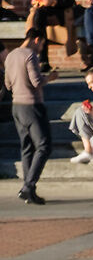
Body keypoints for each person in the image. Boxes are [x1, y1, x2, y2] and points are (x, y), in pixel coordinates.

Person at [7, 34, 49, 205]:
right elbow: (36, 82)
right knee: (44, 145)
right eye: (42, 44)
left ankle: (28, 189)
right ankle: (28, 186)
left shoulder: (10, 55)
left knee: (27, 148)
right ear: (36, 39)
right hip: (32, 106)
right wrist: (50, 77)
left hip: (16, 106)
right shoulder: (30, 55)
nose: (41, 49)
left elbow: (8, 84)